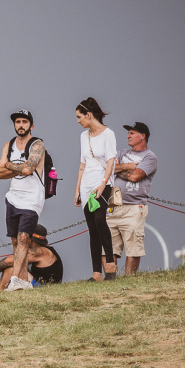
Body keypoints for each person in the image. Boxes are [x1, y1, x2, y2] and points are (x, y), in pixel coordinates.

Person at [0, 109, 46, 292]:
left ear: (31, 125)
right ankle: (24, 280)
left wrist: (8, 164)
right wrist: (17, 167)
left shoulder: (37, 144)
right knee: (16, 242)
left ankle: (15, 280)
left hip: (32, 199)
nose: (20, 125)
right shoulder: (9, 145)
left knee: (25, 238)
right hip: (13, 197)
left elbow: (28, 169)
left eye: (24, 121)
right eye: (18, 122)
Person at [74, 97, 117, 281]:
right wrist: (76, 190)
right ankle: (96, 273)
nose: (78, 121)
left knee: (100, 220)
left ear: (88, 115)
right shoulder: (83, 136)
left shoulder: (109, 134)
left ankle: (110, 266)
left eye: (79, 117)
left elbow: (110, 161)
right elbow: (82, 164)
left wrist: (103, 183)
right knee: (92, 228)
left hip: (102, 183)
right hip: (86, 184)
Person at [106, 122, 157, 276]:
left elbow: (136, 177)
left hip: (134, 207)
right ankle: (110, 279)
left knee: (133, 247)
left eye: (132, 133)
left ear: (143, 136)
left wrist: (118, 169)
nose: (128, 135)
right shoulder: (121, 153)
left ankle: (129, 279)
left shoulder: (150, 157)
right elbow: (108, 168)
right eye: (128, 133)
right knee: (109, 246)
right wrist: (129, 166)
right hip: (113, 205)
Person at [0, 225, 63, 289]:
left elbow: (10, 260)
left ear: (31, 240)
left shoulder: (41, 252)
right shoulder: (42, 251)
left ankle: (0, 297)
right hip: (37, 283)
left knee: (11, 269)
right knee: (13, 267)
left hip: (44, 288)